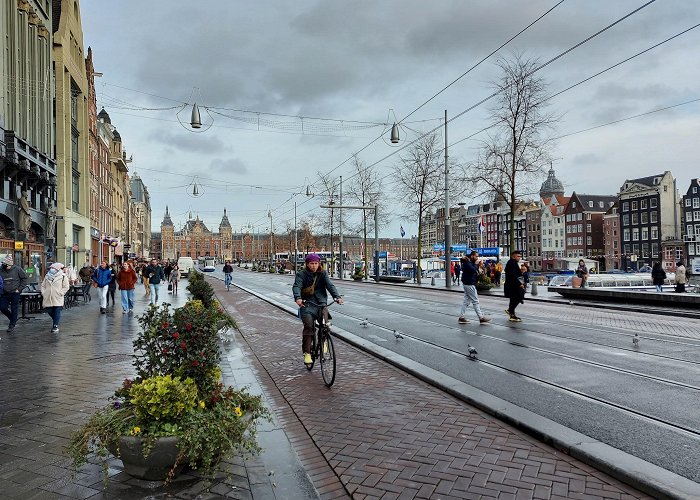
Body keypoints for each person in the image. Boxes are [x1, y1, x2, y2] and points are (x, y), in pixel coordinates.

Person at [292, 253, 343, 365]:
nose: (314, 266)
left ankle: (324, 341)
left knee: (326, 325)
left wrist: (337, 296)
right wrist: (298, 298)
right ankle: (307, 353)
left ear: (319, 263)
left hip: (321, 304)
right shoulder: (301, 275)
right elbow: (297, 286)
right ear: (307, 264)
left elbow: (330, 285)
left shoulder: (323, 273)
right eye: (311, 263)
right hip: (307, 305)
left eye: (316, 263)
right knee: (309, 327)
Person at [458, 251, 491, 325]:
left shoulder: (469, 261)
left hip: (468, 283)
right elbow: (472, 270)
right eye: (476, 256)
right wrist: (476, 264)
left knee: (466, 301)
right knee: (475, 301)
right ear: (472, 256)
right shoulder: (467, 262)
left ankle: (461, 317)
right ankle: (481, 318)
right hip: (469, 283)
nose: (477, 258)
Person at [0, 254, 28, 332]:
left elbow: (24, 279)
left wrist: (19, 289)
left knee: (14, 308)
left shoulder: (18, 269)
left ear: (11, 265)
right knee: (2, 308)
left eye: (8, 266)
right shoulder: (1, 270)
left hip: (15, 292)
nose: (7, 267)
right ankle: (12, 318)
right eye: (5, 265)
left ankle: (11, 325)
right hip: (4, 293)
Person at [41, 262, 71, 333]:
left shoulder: (63, 276)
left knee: (57, 311)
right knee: (49, 310)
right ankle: (56, 320)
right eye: (51, 268)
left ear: (57, 269)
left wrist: (61, 293)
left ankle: (55, 326)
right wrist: (44, 292)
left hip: (57, 297)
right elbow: (43, 285)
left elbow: (66, 287)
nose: (51, 269)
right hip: (48, 297)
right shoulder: (47, 276)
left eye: (53, 268)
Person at [504, 250, 525, 322]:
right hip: (513, 285)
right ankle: (511, 312)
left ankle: (511, 313)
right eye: (518, 256)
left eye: (520, 256)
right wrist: (520, 284)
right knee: (517, 297)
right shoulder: (511, 263)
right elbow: (513, 275)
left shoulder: (513, 263)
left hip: (513, 284)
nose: (519, 258)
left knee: (514, 299)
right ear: (513, 256)